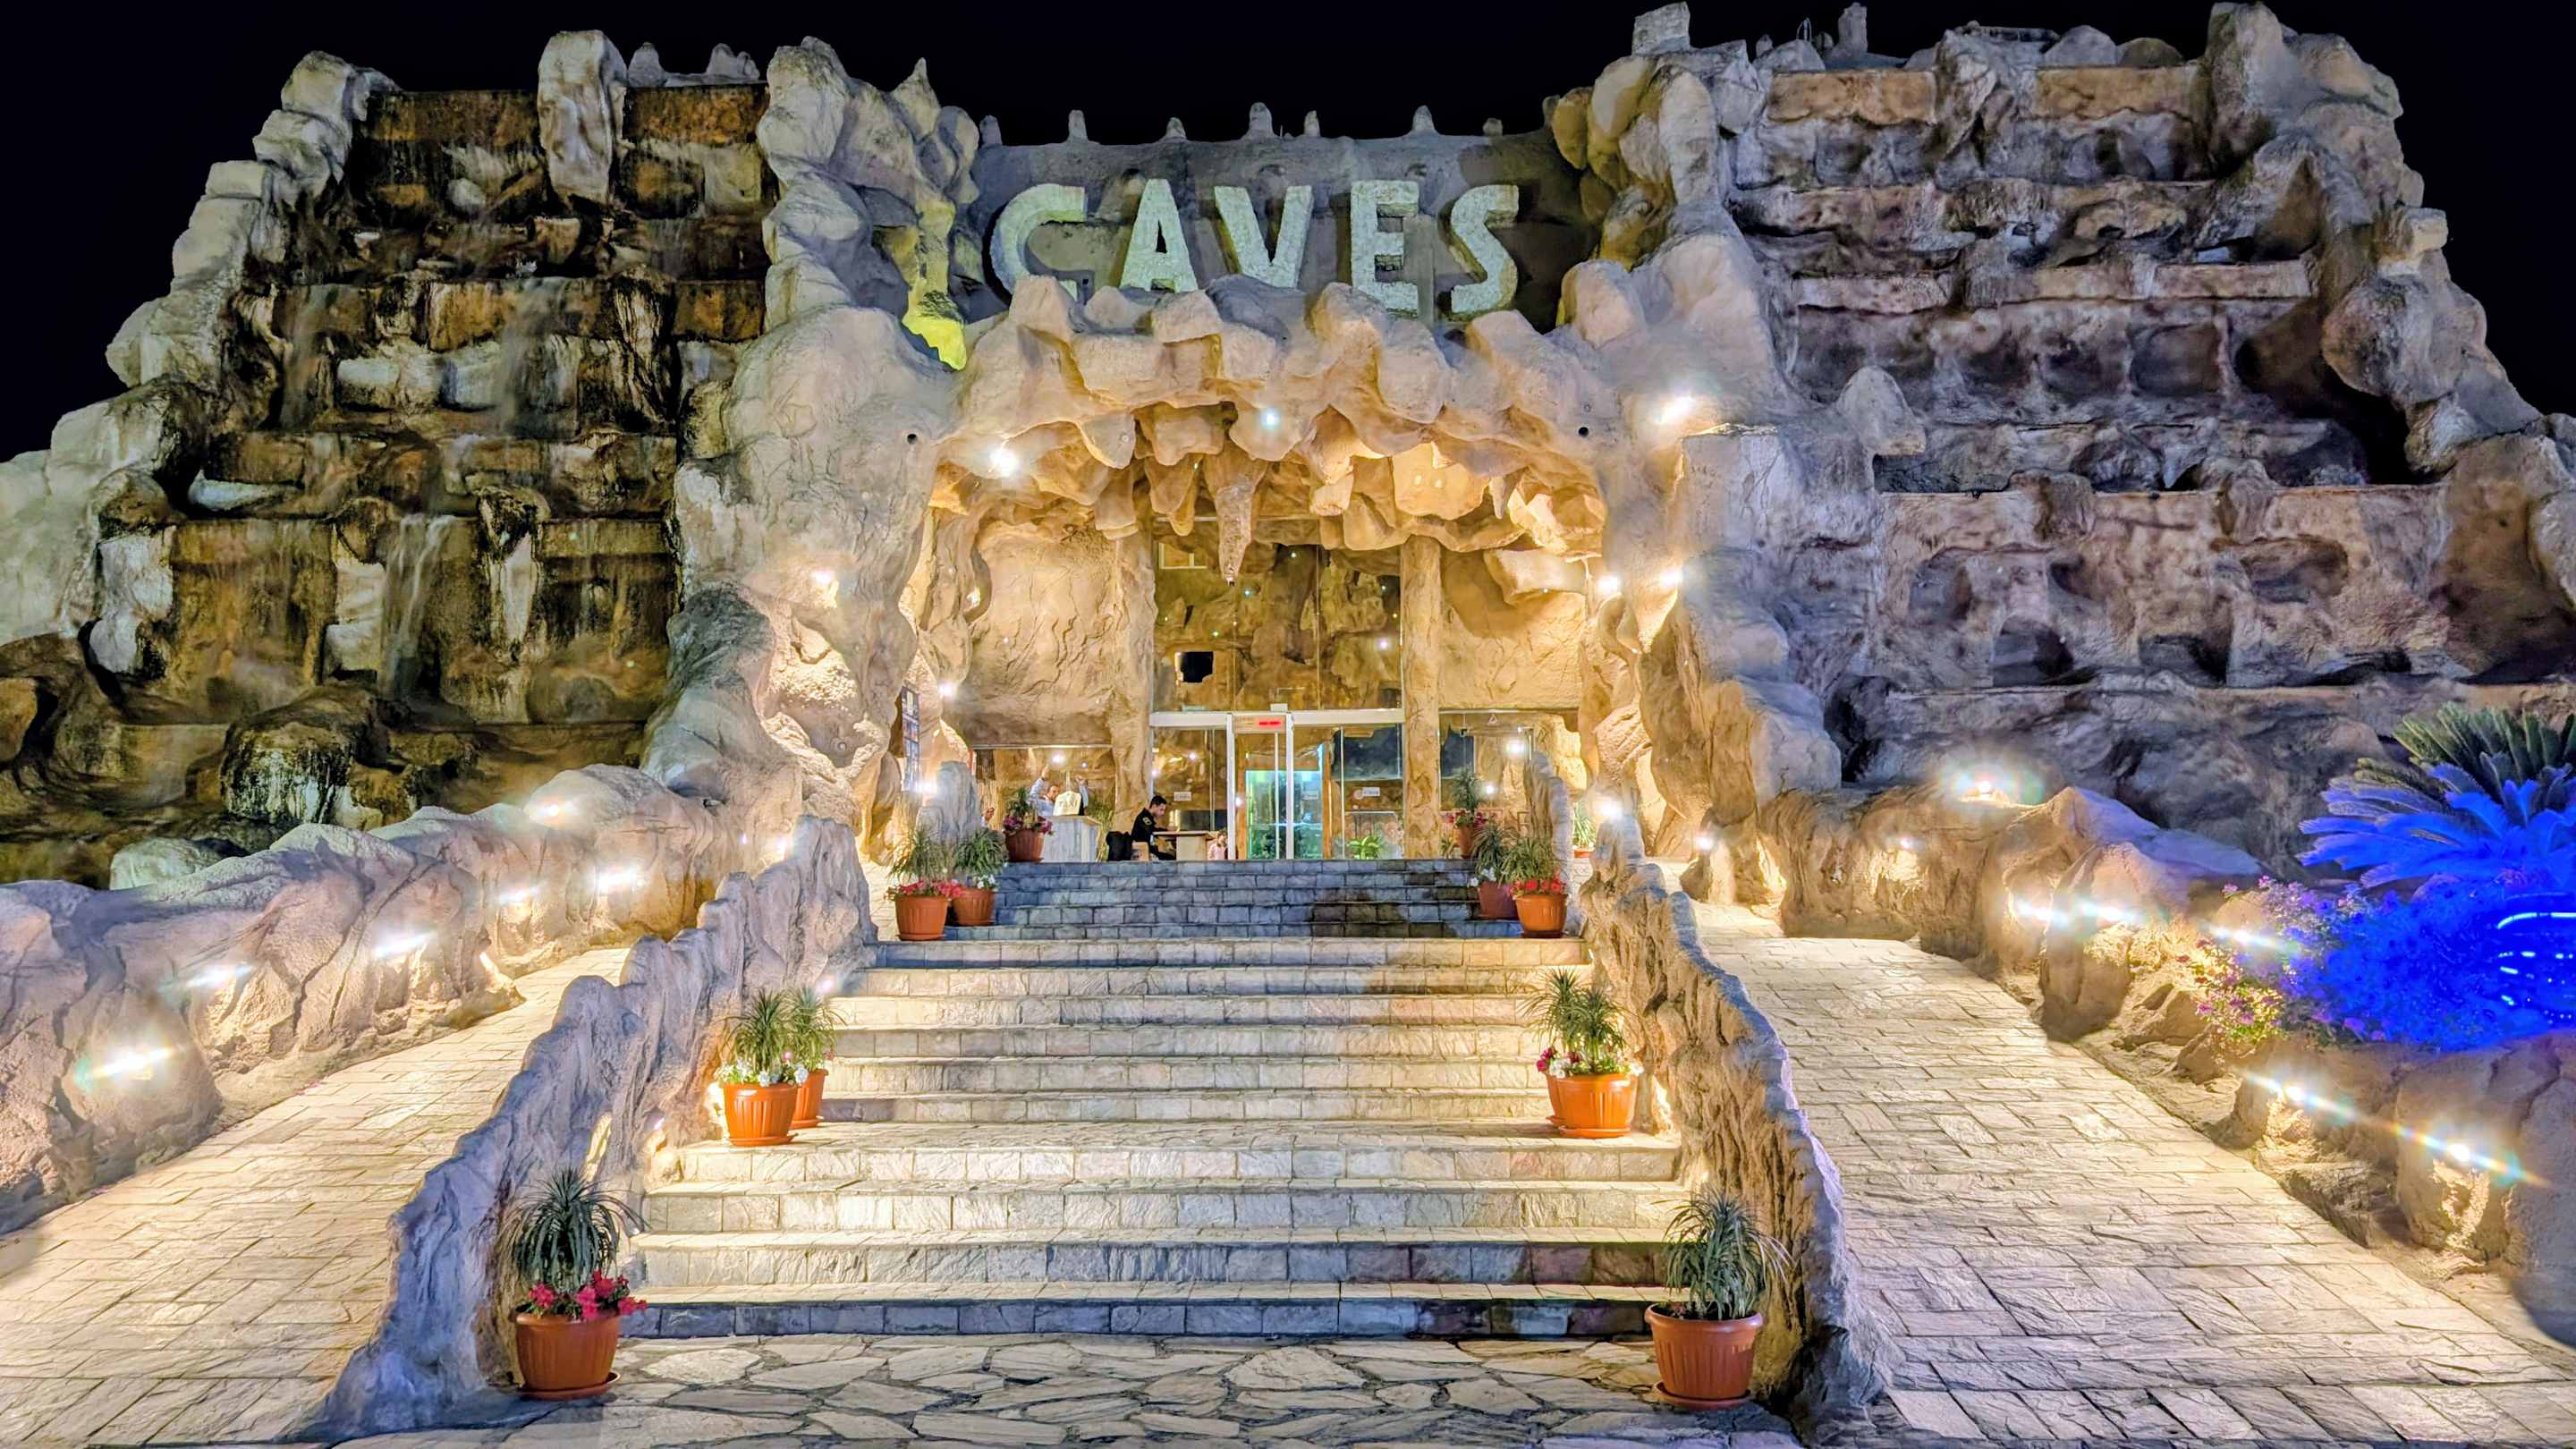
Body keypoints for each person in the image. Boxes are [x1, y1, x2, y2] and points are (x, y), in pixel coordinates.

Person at [1131, 794, 1174, 860]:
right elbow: (1151, 830)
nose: (1163, 813)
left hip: (1148, 850)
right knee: (1170, 859)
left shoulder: (1149, 818)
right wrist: (1167, 830)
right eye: (1161, 810)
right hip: (1142, 852)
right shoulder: (1144, 817)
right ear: (1154, 806)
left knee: (1170, 857)